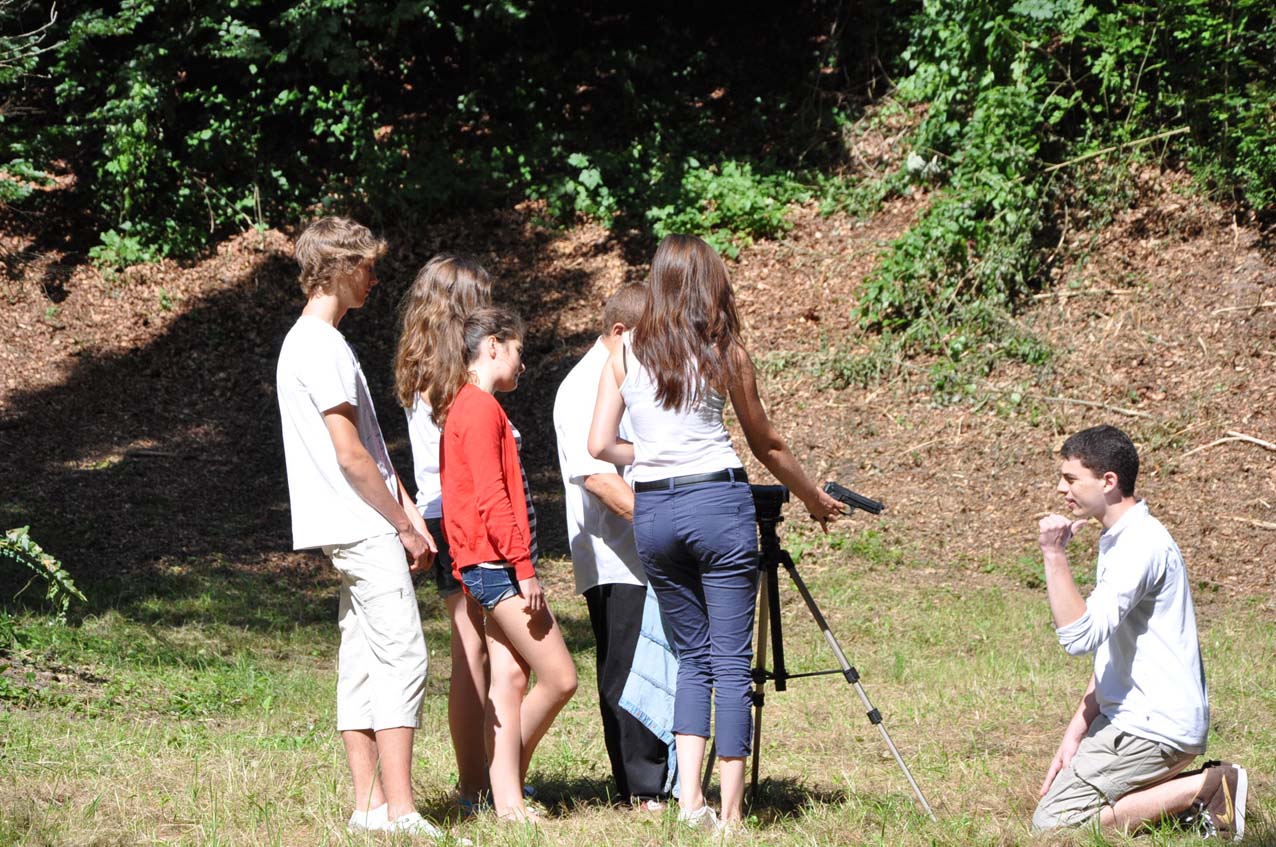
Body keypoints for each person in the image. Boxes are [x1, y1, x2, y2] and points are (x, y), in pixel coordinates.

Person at [587, 234, 843, 833]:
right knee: (730, 661)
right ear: (709, 283)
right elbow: (766, 443)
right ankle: (730, 814)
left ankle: (689, 803)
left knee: (691, 658)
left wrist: (652, 451)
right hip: (717, 505)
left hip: (655, 511)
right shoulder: (724, 348)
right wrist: (812, 496)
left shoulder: (624, 350)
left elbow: (599, 444)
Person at [274, 217, 446, 837]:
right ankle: (401, 811)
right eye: (367, 266)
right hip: (362, 524)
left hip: (350, 524)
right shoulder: (319, 345)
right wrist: (402, 525)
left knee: (363, 660)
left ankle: (369, 807)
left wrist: (409, 509)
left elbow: (370, 448)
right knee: (403, 657)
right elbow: (350, 456)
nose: (374, 278)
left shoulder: (312, 342)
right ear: (340, 268)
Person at [1033, 424, 1247, 840]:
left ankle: (1207, 789)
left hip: (1152, 727)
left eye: (1071, 478)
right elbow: (1114, 651)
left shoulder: (1139, 545)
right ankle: (1187, 802)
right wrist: (1078, 728)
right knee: (1065, 805)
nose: (1061, 488)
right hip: (1139, 718)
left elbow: (1079, 638)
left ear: (1108, 481)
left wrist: (1053, 554)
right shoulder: (1122, 537)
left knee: (1053, 824)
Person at [434, 306, 578, 824]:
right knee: (560, 676)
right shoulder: (477, 408)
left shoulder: (471, 405)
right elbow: (491, 497)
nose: (523, 363)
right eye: (519, 351)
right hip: (496, 567)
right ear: (493, 345)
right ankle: (504, 781)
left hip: (490, 564)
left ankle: (506, 802)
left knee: (511, 680)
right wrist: (524, 568)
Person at [553, 283, 673, 808]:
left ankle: (655, 782)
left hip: (638, 550)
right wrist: (662, 524)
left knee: (648, 667)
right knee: (626, 672)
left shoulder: (625, 373)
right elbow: (599, 477)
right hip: (614, 554)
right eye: (651, 336)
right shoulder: (584, 385)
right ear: (620, 332)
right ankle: (641, 789)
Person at [394, 254, 493, 816]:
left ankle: (483, 780)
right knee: (472, 650)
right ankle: (474, 786)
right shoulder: (451, 375)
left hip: (443, 511)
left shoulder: (420, 363)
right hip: (459, 512)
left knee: (474, 649)